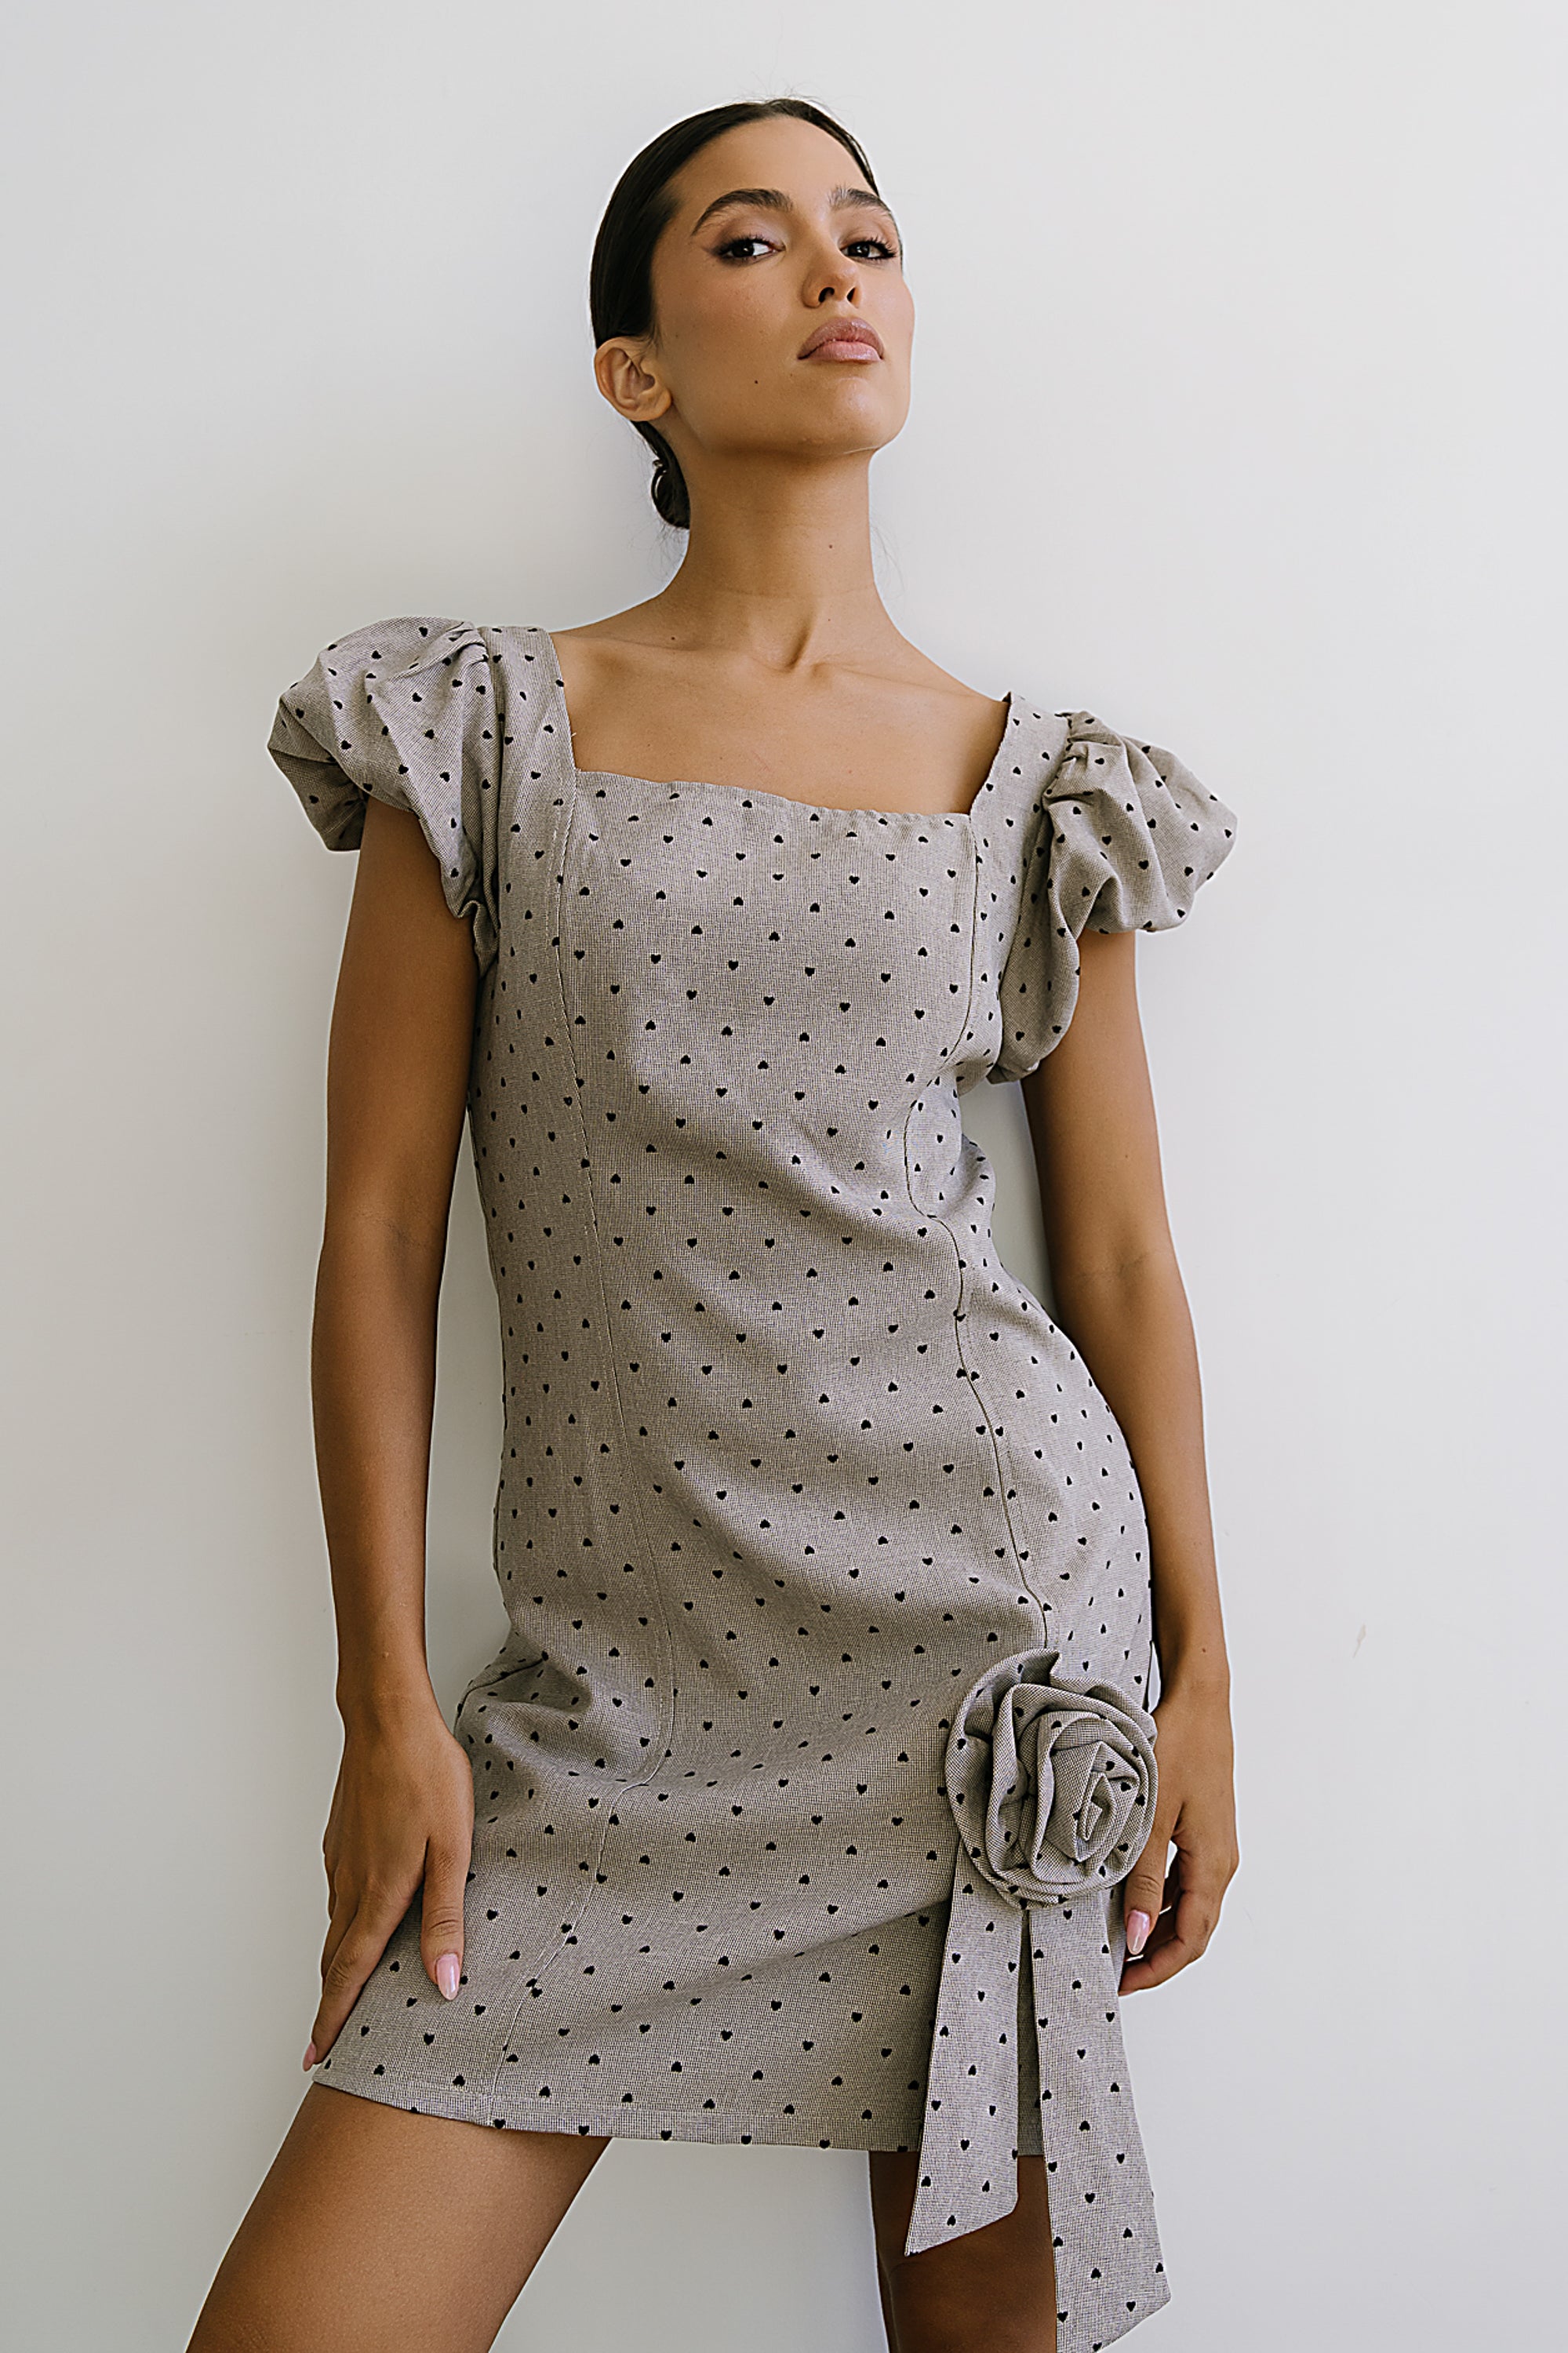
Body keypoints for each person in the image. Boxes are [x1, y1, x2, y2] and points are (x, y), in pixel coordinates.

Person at [190, 96, 1240, 2353]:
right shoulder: (478, 729)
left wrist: (1204, 1681)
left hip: (986, 1659)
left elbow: (1123, 1265)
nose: (839, 271)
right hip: (615, 1702)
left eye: (871, 234)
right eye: (755, 241)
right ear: (636, 370)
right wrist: (386, 1703)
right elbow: (376, 1237)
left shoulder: (1044, 789)